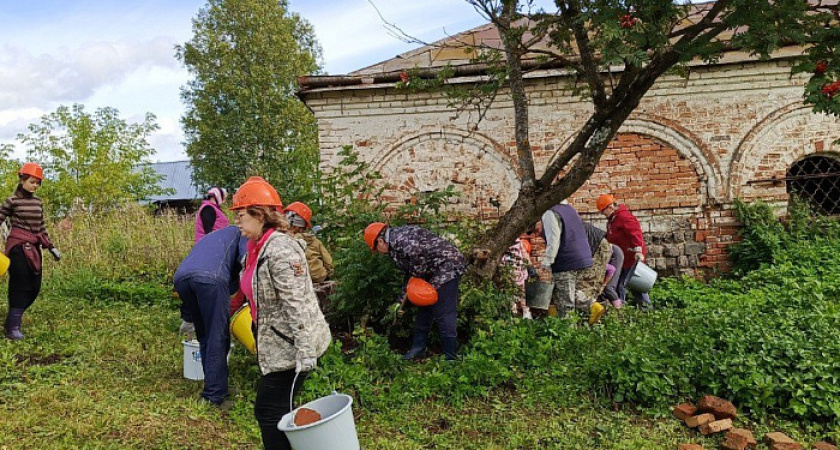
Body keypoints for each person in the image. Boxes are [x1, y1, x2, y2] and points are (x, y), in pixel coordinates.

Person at [232, 176, 331, 450]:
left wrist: (305, 350)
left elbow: (297, 301)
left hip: (290, 346)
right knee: (276, 411)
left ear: (260, 215)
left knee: (269, 411)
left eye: (241, 215)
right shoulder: (255, 248)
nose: (237, 221)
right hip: (273, 343)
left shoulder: (281, 249)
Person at [364, 222, 466, 360]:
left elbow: (418, 264)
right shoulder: (395, 245)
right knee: (424, 307)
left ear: (380, 241)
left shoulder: (402, 240)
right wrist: (399, 302)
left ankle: (450, 356)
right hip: (431, 270)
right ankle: (418, 349)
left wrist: (415, 282)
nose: (379, 253)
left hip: (447, 266)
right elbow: (410, 274)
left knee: (444, 312)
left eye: (376, 249)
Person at [173, 226, 248, 407]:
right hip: (211, 279)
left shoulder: (215, 236)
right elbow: (247, 262)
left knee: (205, 335)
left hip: (181, 278)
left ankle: (216, 386)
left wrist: (188, 315)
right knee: (218, 337)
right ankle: (213, 396)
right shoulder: (242, 233)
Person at [2, 162, 60, 341]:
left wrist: (51, 246)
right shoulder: (12, 201)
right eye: (32, 182)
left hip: (34, 247)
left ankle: (12, 318)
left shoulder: (37, 202)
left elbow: (41, 227)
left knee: (34, 286)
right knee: (20, 285)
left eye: (38, 183)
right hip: (18, 247)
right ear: (22, 180)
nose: (35, 186)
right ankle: (13, 327)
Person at [540, 201, 606, 324]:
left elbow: (553, 240)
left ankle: (568, 335)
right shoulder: (569, 208)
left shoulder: (549, 213)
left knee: (565, 302)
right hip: (583, 258)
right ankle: (593, 305)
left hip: (566, 260)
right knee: (571, 292)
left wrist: (547, 262)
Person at [597, 194, 652, 310]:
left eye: (603, 211)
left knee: (635, 285)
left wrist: (638, 250)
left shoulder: (623, 217)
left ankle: (645, 310)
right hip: (621, 259)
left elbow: (635, 232)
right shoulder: (612, 220)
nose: (603, 214)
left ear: (610, 207)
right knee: (622, 285)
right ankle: (626, 309)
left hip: (631, 258)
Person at [284, 201, 334, 284]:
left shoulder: (282, 241)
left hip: (297, 280)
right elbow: (328, 262)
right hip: (319, 276)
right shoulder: (315, 241)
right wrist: (328, 274)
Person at [502, 238, 532, 319]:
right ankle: (513, 313)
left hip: (520, 270)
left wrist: (529, 266)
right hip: (508, 272)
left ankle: (526, 313)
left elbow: (524, 254)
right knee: (511, 293)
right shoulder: (502, 244)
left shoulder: (519, 243)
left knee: (523, 293)